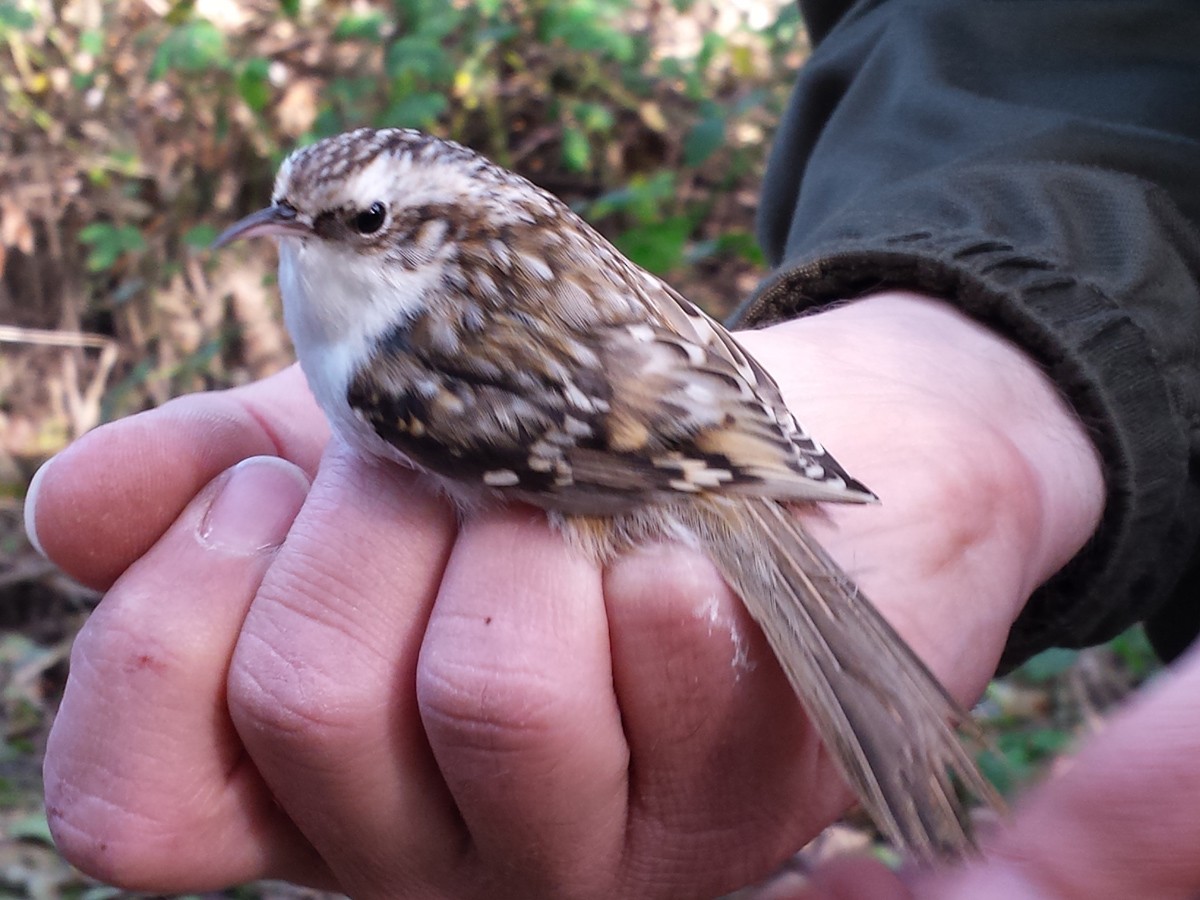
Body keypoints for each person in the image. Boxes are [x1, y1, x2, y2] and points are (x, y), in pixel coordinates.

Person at [24, 0, 1200, 897]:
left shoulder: (394, 367)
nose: (299, 236)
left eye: (356, 223)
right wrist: (973, 388)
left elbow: (603, 450)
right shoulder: (383, 300)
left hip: (662, 460)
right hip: (700, 401)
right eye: (291, 210)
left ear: (429, 231)